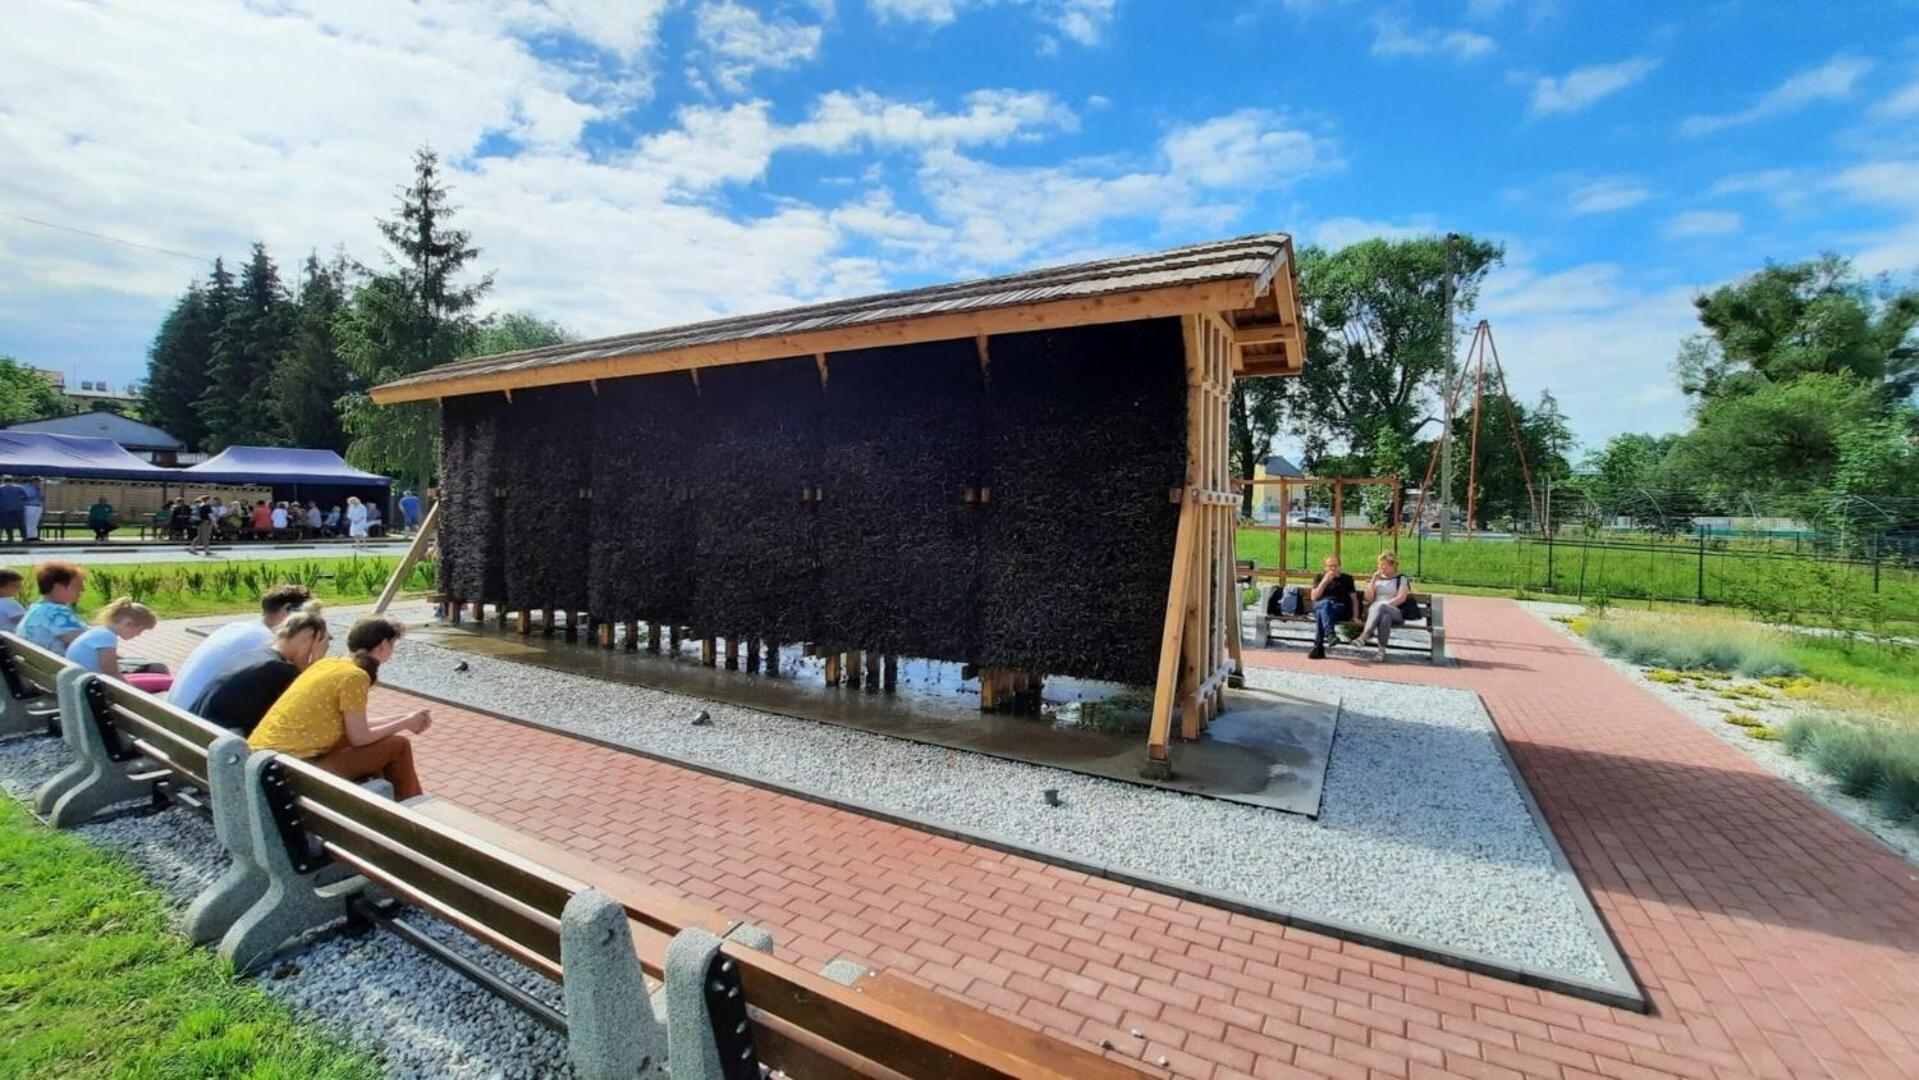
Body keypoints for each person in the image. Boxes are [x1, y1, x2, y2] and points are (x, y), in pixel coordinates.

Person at [248, 616, 429, 800]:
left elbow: (355, 727)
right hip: (292, 769)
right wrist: (406, 722)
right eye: (392, 645)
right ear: (383, 645)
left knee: (378, 745)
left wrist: (404, 718)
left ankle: (392, 805)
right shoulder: (355, 677)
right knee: (398, 745)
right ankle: (413, 809)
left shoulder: (328, 664)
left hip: (264, 760)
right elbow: (360, 737)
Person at [189, 602, 330, 735]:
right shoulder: (280, 671)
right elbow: (310, 712)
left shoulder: (250, 656)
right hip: (223, 752)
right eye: (319, 648)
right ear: (308, 637)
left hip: (199, 737)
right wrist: (316, 664)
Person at [169, 583, 314, 708]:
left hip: (177, 712)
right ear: (287, 610)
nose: (310, 625)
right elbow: (294, 688)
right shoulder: (265, 640)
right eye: (308, 618)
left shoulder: (237, 627)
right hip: (198, 722)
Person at [66, 597, 172, 693]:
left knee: (158, 675)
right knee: (168, 682)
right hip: (93, 687)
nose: (139, 635)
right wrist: (131, 691)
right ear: (129, 624)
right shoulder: (107, 637)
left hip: (84, 681)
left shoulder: (100, 631)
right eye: (140, 630)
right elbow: (110, 671)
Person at [1355, 551, 1418, 662]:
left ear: (1393, 565)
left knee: (1381, 608)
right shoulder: (1377, 578)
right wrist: (1373, 580)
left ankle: (1364, 636)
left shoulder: (1401, 578)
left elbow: (1401, 598)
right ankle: (1381, 652)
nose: (1381, 567)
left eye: (1384, 565)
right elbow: (1369, 598)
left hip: (1396, 611)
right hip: (1377, 613)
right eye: (1380, 565)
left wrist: (1383, 605)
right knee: (1385, 618)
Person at [18, 560, 88, 651]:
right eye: (77, 586)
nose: (82, 590)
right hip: (64, 664)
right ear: (58, 587)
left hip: (43, 663)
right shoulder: (56, 612)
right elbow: (87, 643)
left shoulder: (37, 608)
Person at [1306, 554, 1357, 661]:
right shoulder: (1319, 577)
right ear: (1325, 567)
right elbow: (1314, 597)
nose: (1333, 568)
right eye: (1330, 566)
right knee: (1325, 604)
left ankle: (1318, 647)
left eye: (1335, 566)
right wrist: (1325, 581)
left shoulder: (1347, 579)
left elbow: (1354, 600)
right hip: (1321, 604)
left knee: (1321, 613)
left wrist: (1355, 616)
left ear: (1340, 566)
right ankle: (1330, 634)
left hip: (1339, 608)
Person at [0, 477, 26, 544]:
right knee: (21, 524)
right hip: (18, 508)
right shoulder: (19, 488)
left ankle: (10, 538)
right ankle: (24, 537)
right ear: (12, 481)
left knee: (7, 524)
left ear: (4, 481)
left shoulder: (1, 488)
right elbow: (24, 497)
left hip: (5, 509)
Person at [0, 568, 25, 634]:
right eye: (15, 586)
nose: (19, 589)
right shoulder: (8, 603)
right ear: (1, 588)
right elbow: (25, 621)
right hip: (10, 641)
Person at [22, 477, 43, 543]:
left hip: (38, 506)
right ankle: (28, 536)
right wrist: (35, 496)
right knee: (29, 522)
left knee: (35, 522)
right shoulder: (26, 487)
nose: (39, 483)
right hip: (29, 506)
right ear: (33, 481)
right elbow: (25, 497)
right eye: (38, 482)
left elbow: (40, 497)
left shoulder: (38, 488)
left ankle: (34, 536)